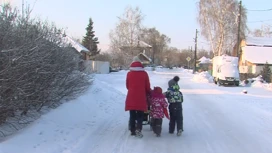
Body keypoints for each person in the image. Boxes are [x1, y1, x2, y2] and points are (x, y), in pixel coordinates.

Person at [125, 56, 151, 138]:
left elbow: (127, 86)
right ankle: (138, 129)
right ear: (140, 64)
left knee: (132, 114)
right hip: (141, 97)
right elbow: (147, 86)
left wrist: (132, 89)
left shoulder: (129, 73)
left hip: (131, 96)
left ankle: (132, 130)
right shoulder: (144, 74)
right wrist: (148, 92)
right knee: (140, 114)